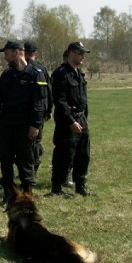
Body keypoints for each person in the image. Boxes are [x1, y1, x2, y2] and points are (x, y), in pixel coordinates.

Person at [0, 40, 47, 206]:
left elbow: (39, 102)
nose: (5, 57)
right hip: (6, 126)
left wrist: (35, 124)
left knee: (25, 161)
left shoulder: (35, 74)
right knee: (5, 160)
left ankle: (27, 193)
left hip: (25, 127)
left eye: (6, 53)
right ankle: (8, 194)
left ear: (17, 52)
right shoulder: (6, 75)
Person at [50, 41, 95, 197]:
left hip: (81, 118)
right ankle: (57, 187)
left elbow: (83, 98)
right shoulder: (61, 73)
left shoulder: (79, 73)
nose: (83, 56)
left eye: (83, 54)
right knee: (64, 154)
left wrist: (84, 118)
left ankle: (80, 185)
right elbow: (60, 100)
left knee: (83, 154)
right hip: (67, 122)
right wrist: (71, 121)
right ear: (72, 53)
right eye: (80, 53)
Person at [24, 41, 53, 181]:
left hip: (23, 112)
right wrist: (49, 110)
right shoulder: (41, 69)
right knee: (35, 142)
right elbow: (48, 92)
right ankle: (33, 169)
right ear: (35, 52)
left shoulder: (20, 67)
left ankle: (27, 169)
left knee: (25, 142)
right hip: (38, 113)